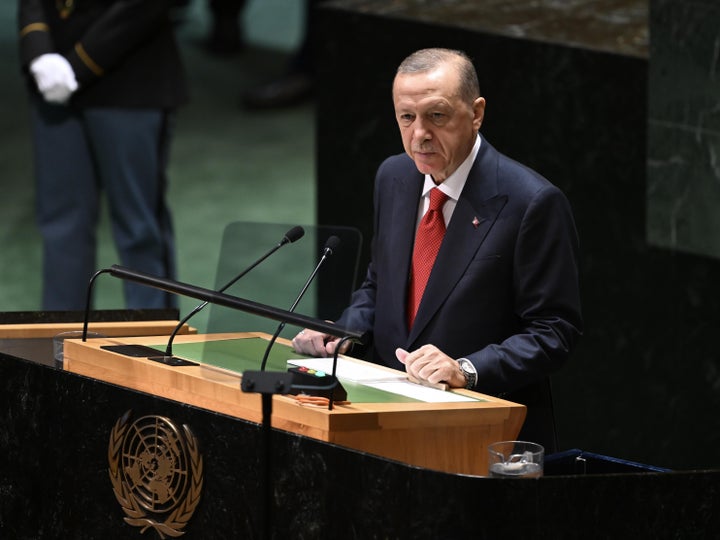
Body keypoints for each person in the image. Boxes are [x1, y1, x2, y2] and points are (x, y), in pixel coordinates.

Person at [292, 48, 583, 451]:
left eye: (437, 116)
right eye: (406, 117)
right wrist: (344, 333)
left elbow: (554, 332)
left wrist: (466, 369)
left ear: (476, 113)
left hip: (480, 435)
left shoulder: (531, 202)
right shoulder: (394, 176)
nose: (419, 135)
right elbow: (381, 284)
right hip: (383, 420)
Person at [18, 0, 188, 310]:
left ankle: (152, 347)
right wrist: (38, 50)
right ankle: (60, 346)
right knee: (61, 226)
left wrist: (78, 65)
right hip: (52, 79)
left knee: (139, 228)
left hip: (129, 78)